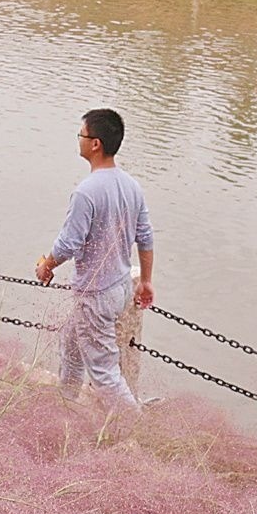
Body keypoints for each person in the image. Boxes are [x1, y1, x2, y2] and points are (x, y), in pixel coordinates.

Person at [35, 108, 155, 410]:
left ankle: (135, 427)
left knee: (105, 373)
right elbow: (146, 237)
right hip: (120, 287)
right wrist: (146, 281)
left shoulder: (86, 193)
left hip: (96, 293)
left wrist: (46, 265)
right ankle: (65, 406)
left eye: (81, 134)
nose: (79, 140)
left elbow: (68, 244)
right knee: (71, 346)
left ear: (95, 144)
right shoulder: (131, 186)